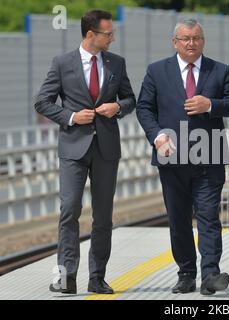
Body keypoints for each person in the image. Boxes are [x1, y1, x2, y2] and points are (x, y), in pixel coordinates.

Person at [34, 10, 135, 294]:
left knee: (103, 216)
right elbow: (42, 102)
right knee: (69, 211)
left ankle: (97, 278)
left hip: (106, 148)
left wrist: (118, 107)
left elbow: (130, 99)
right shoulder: (62, 63)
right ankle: (66, 277)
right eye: (108, 33)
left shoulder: (117, 63)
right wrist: (70, 116)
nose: (112, 37)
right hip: (72, 148)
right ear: (91, 34)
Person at [137, 18, 229, 295]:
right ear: (175, 42)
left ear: (203, 41)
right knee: (179, 219)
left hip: (210, 155)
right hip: (171, 157)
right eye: (186, 39)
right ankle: (186, 274)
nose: (191, 43)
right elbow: (144, 108)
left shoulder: (220, 70)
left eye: (197, 38)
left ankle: (210, 275)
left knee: (208, 216)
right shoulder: (157, 71)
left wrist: (211, 105)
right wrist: (158, 137)